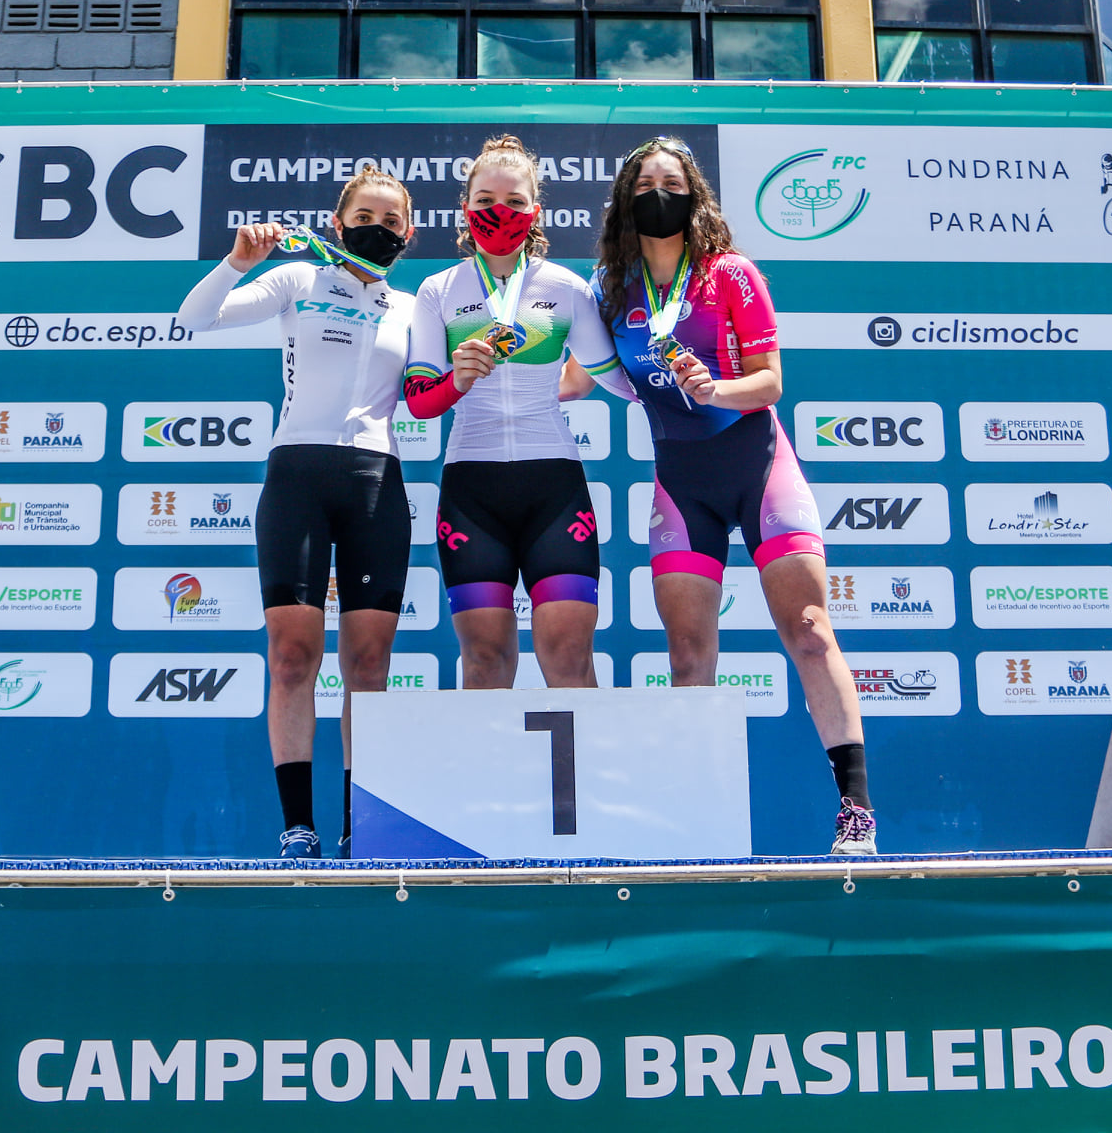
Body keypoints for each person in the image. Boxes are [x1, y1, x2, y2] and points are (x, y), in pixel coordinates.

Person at [564, 135, 879, 855]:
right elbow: (582, 374)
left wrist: (716, 388)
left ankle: (855, 806)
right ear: (623, 202)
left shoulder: (730, 274)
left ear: (695, 195)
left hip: (758, 463)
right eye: (643, 183)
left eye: (671, 181)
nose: (658, 193)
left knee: (808, 627)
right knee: (687, 654)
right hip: (682, 482)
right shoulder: (611, 290)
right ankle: (692, 824)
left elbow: (769, 382)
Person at [176, 169, 416, 860]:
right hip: (297, 476)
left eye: (391, 218)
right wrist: (237, 263)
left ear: (408, 232)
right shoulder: (297, 282)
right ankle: (297, 827)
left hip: (378, 479)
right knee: (291, 658)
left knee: (369, 665)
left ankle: (358, 826)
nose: (378, 225)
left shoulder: (411, 307)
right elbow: (192, 319)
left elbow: (435, 388)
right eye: (364, 213)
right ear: (336, 224)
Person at [403, 134, 626, 689]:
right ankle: (489, 779)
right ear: (465, 209)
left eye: (513, 202)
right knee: (484, 662)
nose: (498, 212)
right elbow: (421, 402)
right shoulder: (438, 290)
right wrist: (456, 379)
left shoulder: (566, 287)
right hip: (472, 487)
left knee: (570, 656)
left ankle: (586, 780)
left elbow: (615, 380)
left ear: (536, 211)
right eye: (484, 202)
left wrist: (687, 385)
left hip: (552, 483)